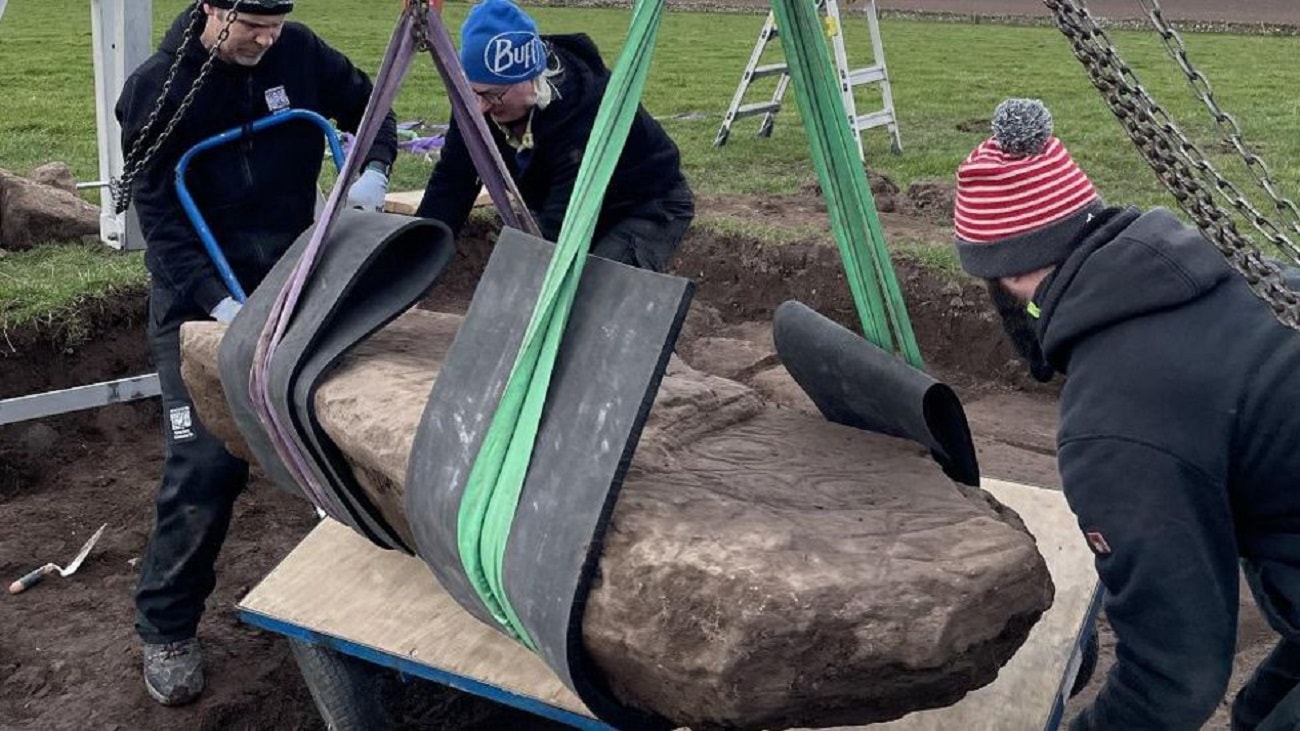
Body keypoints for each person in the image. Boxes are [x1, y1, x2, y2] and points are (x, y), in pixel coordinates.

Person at [953, 97, 1300, 730]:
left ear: (1003, 279)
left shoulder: (1113, 425)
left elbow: (1176, 681)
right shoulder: (1235, 272)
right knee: (1257, 712)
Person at [114, 0, 398, 707]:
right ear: (213, 8)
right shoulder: (156, 90)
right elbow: (161, 219)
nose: (265, 40)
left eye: (275, 24)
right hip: (200, 304)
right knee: (207, 463)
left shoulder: (299, 53)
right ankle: (167, 625)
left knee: (343, 432)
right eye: (251, 26)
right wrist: (221, 308)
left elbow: (373, 104)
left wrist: (375, 170)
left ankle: (372, 598)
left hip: (291, 284)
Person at [416, 0, 694, 273]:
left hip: (643, 205)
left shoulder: (583, 108)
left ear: (529, 78)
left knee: (593, 294)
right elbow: (454, 179)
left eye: (493, 95)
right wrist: (418, 251)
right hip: (558, 200)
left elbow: (562, 221)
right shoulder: (477, 101)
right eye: (473, 93)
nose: (482, 107)